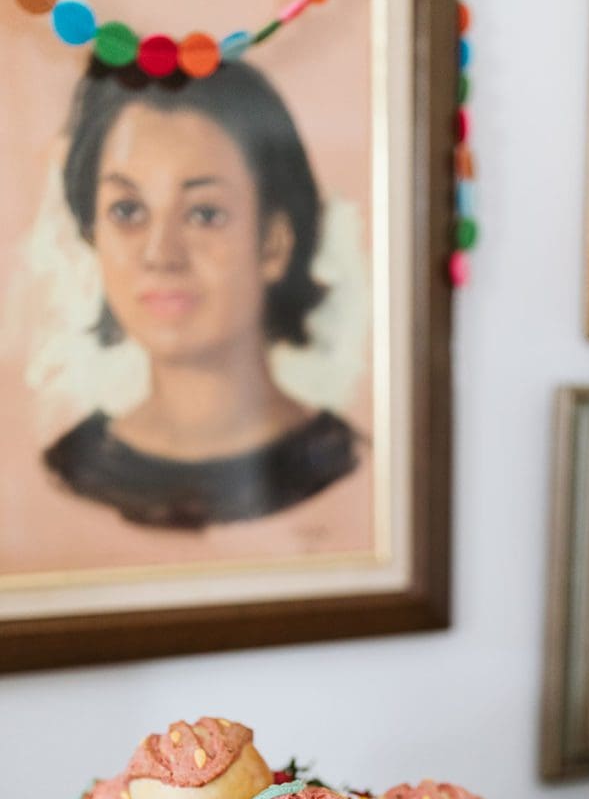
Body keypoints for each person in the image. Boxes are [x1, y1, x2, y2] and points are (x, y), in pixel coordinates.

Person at [43, 58, 359, 529]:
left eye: (204, 214)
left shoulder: (348, 467)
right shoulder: (65, 473)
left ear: (273, 242)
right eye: (128, 210)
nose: (160, 254)